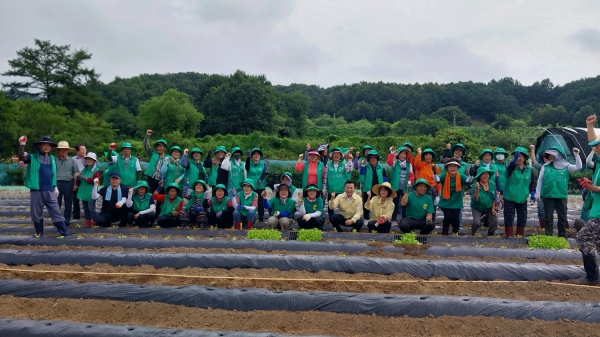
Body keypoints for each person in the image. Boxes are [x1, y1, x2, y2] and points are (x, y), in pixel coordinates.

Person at [18, 135, 70, 237]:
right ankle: (39, 233)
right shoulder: (32, 157)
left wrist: (55, 186)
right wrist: (22, 145)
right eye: (44, 145)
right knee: (36, 213)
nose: (46, 147)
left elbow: (53, 173)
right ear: (40, 146)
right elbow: (22, 157)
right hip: (37, 189)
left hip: (50, 189)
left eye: (48, 145)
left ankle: (64, 233)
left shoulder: (52, 159)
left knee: (56, 211)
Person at [535, 145, 582, 237]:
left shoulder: (566, 166)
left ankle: (562, 236)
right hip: (548, 196)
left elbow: (578, 167)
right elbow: (540, 180)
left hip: (561, 196)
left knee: (562, 218)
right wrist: (538, 193)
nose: (550, 157)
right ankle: (549, 236)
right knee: (548, 217)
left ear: (558, 155)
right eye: (549, 155)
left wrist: (577, 156)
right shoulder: (545, 167)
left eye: (552, 155)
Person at [503, 147, 537, 237]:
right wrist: (513, 160)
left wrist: (532, 193)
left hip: (522, 198)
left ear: (525, 158)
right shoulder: (511, 167)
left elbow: (533, 182)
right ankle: (509, 236)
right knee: (509, 218)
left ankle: (519, 236)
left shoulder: (529, 170)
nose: (519, 158)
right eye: (517, 156)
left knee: (522, 218)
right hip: (510, 197)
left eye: (521, 156)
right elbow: (508, 169)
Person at [435, 159, 473, 235]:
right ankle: (444, 233)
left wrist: (471, 175)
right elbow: (437, 179)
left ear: (458, 167)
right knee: (448, 217)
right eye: (450, 166)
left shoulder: (461, 176)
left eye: (455, 166)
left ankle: (455, 233)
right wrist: (434, 174)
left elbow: (468, 181)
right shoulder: (444, 176)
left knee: (455, 218)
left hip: (457, 202)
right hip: (446, 202)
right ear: (447, 168)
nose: (452, 168)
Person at [386, 146, 415, 225]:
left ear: (406, 155)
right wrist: (392, 154)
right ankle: (393, 219)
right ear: (398, 155)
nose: (403, 156)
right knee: (394, 203)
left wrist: (409, 182)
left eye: (404, 154)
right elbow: (389, 162)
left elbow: (411, 175)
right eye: (401, 154)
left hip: (405, 187)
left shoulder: (409, 165)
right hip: (396, 187)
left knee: (405, 203)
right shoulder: (395, 163)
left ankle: (404, 220)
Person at [54, 141, 79, 225]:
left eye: (65, 150)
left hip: (69, 182)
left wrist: (75, 184)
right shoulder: (54, 160)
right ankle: (57, 220)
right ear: (58, 150)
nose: (63, 151)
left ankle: (67, 220)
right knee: (57, 202)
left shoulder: (71, 160)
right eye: (61, 150)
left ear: (68, 151)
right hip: (57, 183)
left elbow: (74, 173)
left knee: (68, 202)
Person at [323, 147, 353, 217]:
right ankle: (331, 220)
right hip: (331, 189)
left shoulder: (343, 164)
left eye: (338, 154)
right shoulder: (328, 164)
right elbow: (325, 176)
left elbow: (349, 170)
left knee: (342, 206)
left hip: (341, 189)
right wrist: (324, 187)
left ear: (340, 155)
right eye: (335, 154)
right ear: (332, 155)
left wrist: (350, 160)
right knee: (331, 206)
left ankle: (343, 219)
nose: (336, 156)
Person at [414, 148, 441, 222]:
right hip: (422, 187)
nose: (428, 157)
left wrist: (439, 192)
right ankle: (420, 220)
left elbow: (438, 180)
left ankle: (431, 221)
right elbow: (416, 164)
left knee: (432, 205)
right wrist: (419, 153)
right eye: (426, 155)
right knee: (421, 204)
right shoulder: (421, 165)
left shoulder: (435, 167)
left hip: (432, 188)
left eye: (430, 155)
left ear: (432, 157)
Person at [74, 152, 100, 227]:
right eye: (87, 159)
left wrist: (86, 178)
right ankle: (88, 221)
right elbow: (78, 176)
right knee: (85, 208)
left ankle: (94, 221)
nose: (88, 160)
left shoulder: (96, 170)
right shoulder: (84, 169)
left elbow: (96, 180)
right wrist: (77, 176)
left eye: (90, 159)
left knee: (91, 208)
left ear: (94, 161)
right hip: (84, 190)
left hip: (91, 191)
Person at [359, 150, 387, 220]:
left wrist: (386, 188)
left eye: (375, 158)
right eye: (371, 158)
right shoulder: (365, 167)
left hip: (378, 190)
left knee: (378, 205)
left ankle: (377, 218)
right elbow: (361, 179)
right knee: (366, 205)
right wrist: (362, 167)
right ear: (369, 159)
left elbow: (385, 179)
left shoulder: (382, 168)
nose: (373, 160)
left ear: (377, 159)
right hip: (368, 189)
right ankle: (366, 219)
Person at [470, 167, 498, 236]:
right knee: (476, 222)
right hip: (477, 207)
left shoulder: (492, 184)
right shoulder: (474, 185)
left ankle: (491, 233)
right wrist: (477, 189)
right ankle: (473, 234)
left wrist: (493, 208)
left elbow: (494, 197)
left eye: (487, 174)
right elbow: (475, 199)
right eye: (483, 175)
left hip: (488, 206)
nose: (486, 176)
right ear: (479, 176)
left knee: (494, 219)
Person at [246, 147, 268, 222]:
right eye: (254, 154)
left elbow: (265, 173)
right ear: (252, 156)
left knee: (260, 202)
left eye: (258, 154)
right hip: (251, 187)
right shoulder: (249, 163)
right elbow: (246, 167)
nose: (256, 155)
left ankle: (261, 218)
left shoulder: (263, 164)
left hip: (260, 187)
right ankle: (251, 218)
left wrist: (260, 179)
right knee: (251, 202)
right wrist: (248, 158)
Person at [529, 144, 548, 229]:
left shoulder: (557, 167)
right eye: (544, 158)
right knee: (541, 210)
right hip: (541, 193)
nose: (545, 159)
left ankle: (550, 227)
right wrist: (532, 149)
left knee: (550, 211)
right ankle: (543, 228)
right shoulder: (542, 167)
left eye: (547, 157)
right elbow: (533, 161)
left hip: (551, 193)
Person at [72, 143, 86, 220]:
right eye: (82, 150)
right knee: (75, 199)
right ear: (77, 151)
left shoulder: (88, 159)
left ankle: (88, 215)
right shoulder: (73, 159)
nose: (84, 151)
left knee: (86, 198)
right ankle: (76, 216)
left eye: (85, 149)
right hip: (76, 181)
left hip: (86, 181)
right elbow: (73, 172)